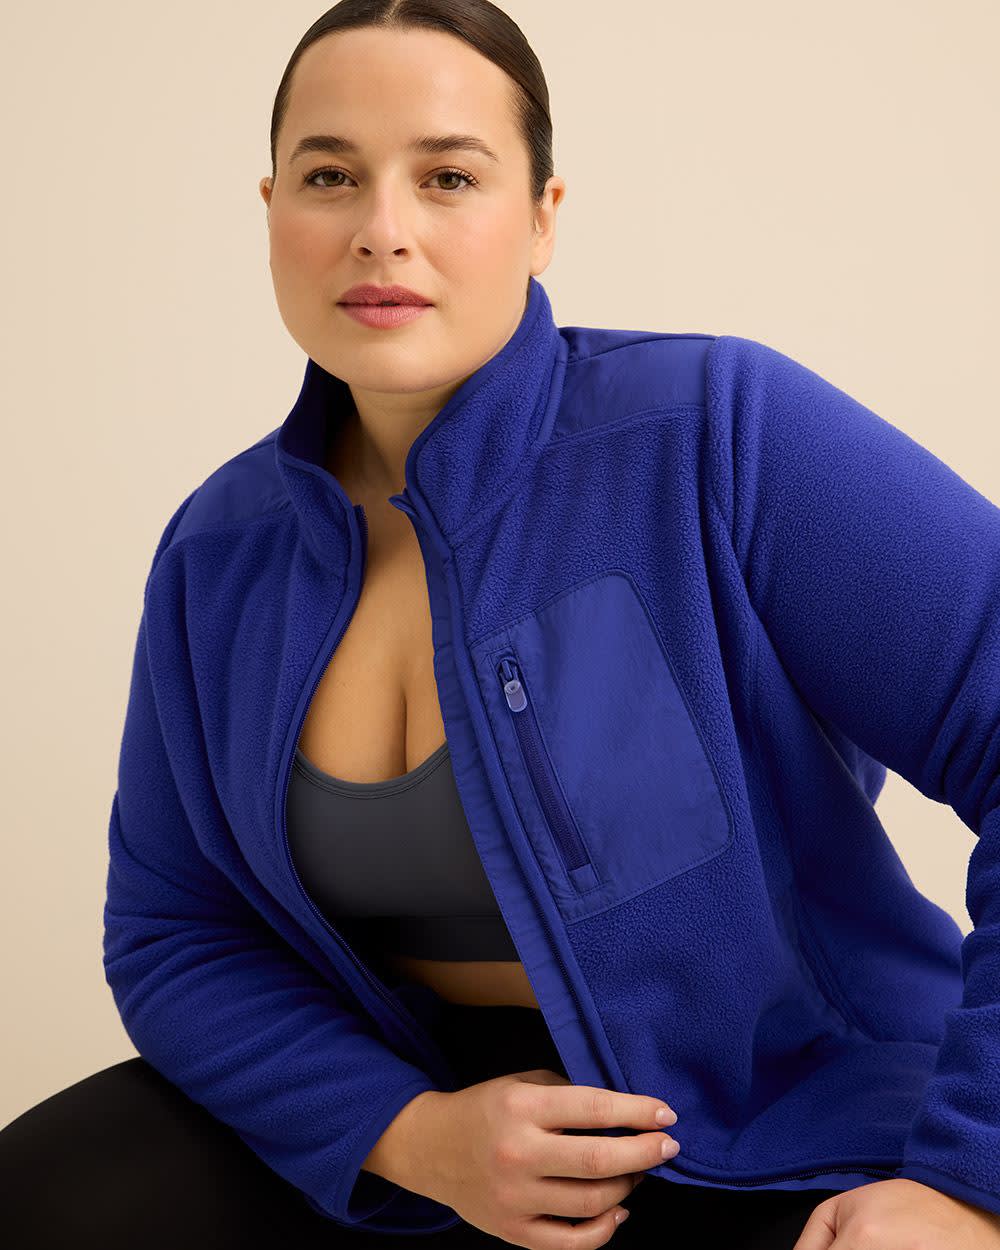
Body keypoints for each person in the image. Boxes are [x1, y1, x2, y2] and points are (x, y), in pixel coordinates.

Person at [5, 2, 1000, 1248]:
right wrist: (409, 1133)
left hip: (780, 1123)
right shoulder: (218, 554)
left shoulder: (711, 431)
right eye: (329, 176)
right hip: (425, 1115)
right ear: (270, 212)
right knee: (51, 1195)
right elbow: (176, 929)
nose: (382, 229)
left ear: (540, 216)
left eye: (448, 176)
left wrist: (971, 1178)